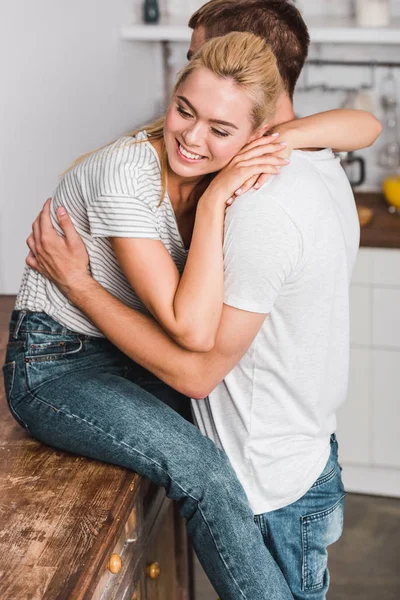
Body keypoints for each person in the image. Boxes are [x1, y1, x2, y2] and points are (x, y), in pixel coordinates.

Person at [4, 5, 381, 600]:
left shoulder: (231, 152)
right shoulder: (139, 172)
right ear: (174, 97)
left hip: (134, 350)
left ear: (253, 131)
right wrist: (212, 203)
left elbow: (365, 125)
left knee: (241, 446)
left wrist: (274, 143)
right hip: (59, 364)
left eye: (221, 128)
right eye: (184, 110)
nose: (193, 136)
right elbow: (191, 329)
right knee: (205, 472)